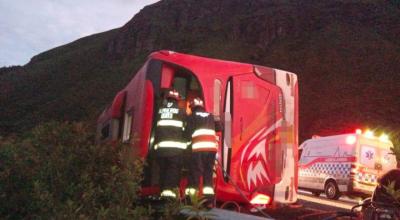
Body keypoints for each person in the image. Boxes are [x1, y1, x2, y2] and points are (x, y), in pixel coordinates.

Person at [154, 89, 187, 199]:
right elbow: (187, 129)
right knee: (172, 173)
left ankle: (162, 193)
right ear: (177, 100)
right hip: (175, 150)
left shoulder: (159, 111)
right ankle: (168, 198)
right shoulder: (181, 111)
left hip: (160, 150)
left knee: (163, 172)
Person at [185, 97, 218, 204]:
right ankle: (208, 201)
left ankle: (191, 200)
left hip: (199, 148)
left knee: (195, 172)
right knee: (208, 174)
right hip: (211, 149)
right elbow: (220, 127)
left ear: (193, 107)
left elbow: (187, 133)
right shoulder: (210, 116)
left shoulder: (192, 117)